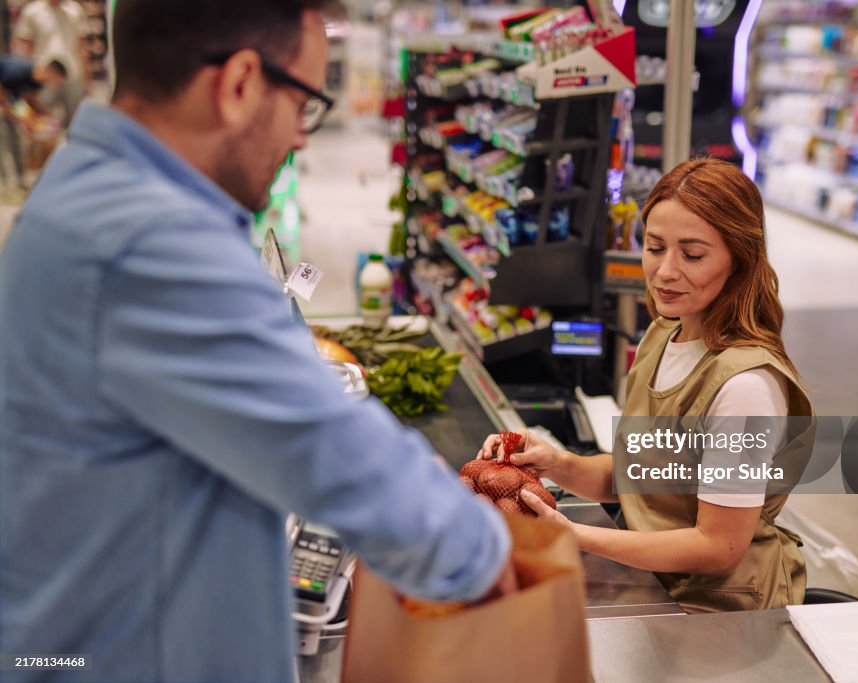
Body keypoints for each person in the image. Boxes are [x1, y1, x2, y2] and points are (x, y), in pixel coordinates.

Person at [0, 1, 514, 681]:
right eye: (303, 103)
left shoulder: (90, 186)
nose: (302, 138)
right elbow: (337, 454)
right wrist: (488, 553)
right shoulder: (151, 240)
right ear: (241, 82)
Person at [479, 158, 814, 613]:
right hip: (651, 580)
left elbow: (719, 548)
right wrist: (557, 463)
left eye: (692, 254)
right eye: (655, 247)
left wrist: (573, 535)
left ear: (740, 260)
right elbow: (643, 479)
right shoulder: (663, 335)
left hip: (715, 611)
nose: (665, 272)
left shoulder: (745, 387)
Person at [12, 0, 89, 126]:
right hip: (43, 78)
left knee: (75, 122)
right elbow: (25, 47)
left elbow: (81, 46)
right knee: (42, 122)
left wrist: (86, 79)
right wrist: (27, 80)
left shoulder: (75, 10)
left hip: (72, 75)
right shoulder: (32, 11)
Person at [0, 56, 67, 191]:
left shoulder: (38, 83)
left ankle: (17, 182)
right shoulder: (19, 70)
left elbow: (29, 102)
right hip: (3, 98)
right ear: (51, 72)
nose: (54, 85)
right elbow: (3, 95)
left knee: (16, 140)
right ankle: (5, 185)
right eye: (56, 81)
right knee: (5, 139)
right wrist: (24, 119)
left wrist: (44, 118)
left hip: (9, 102)